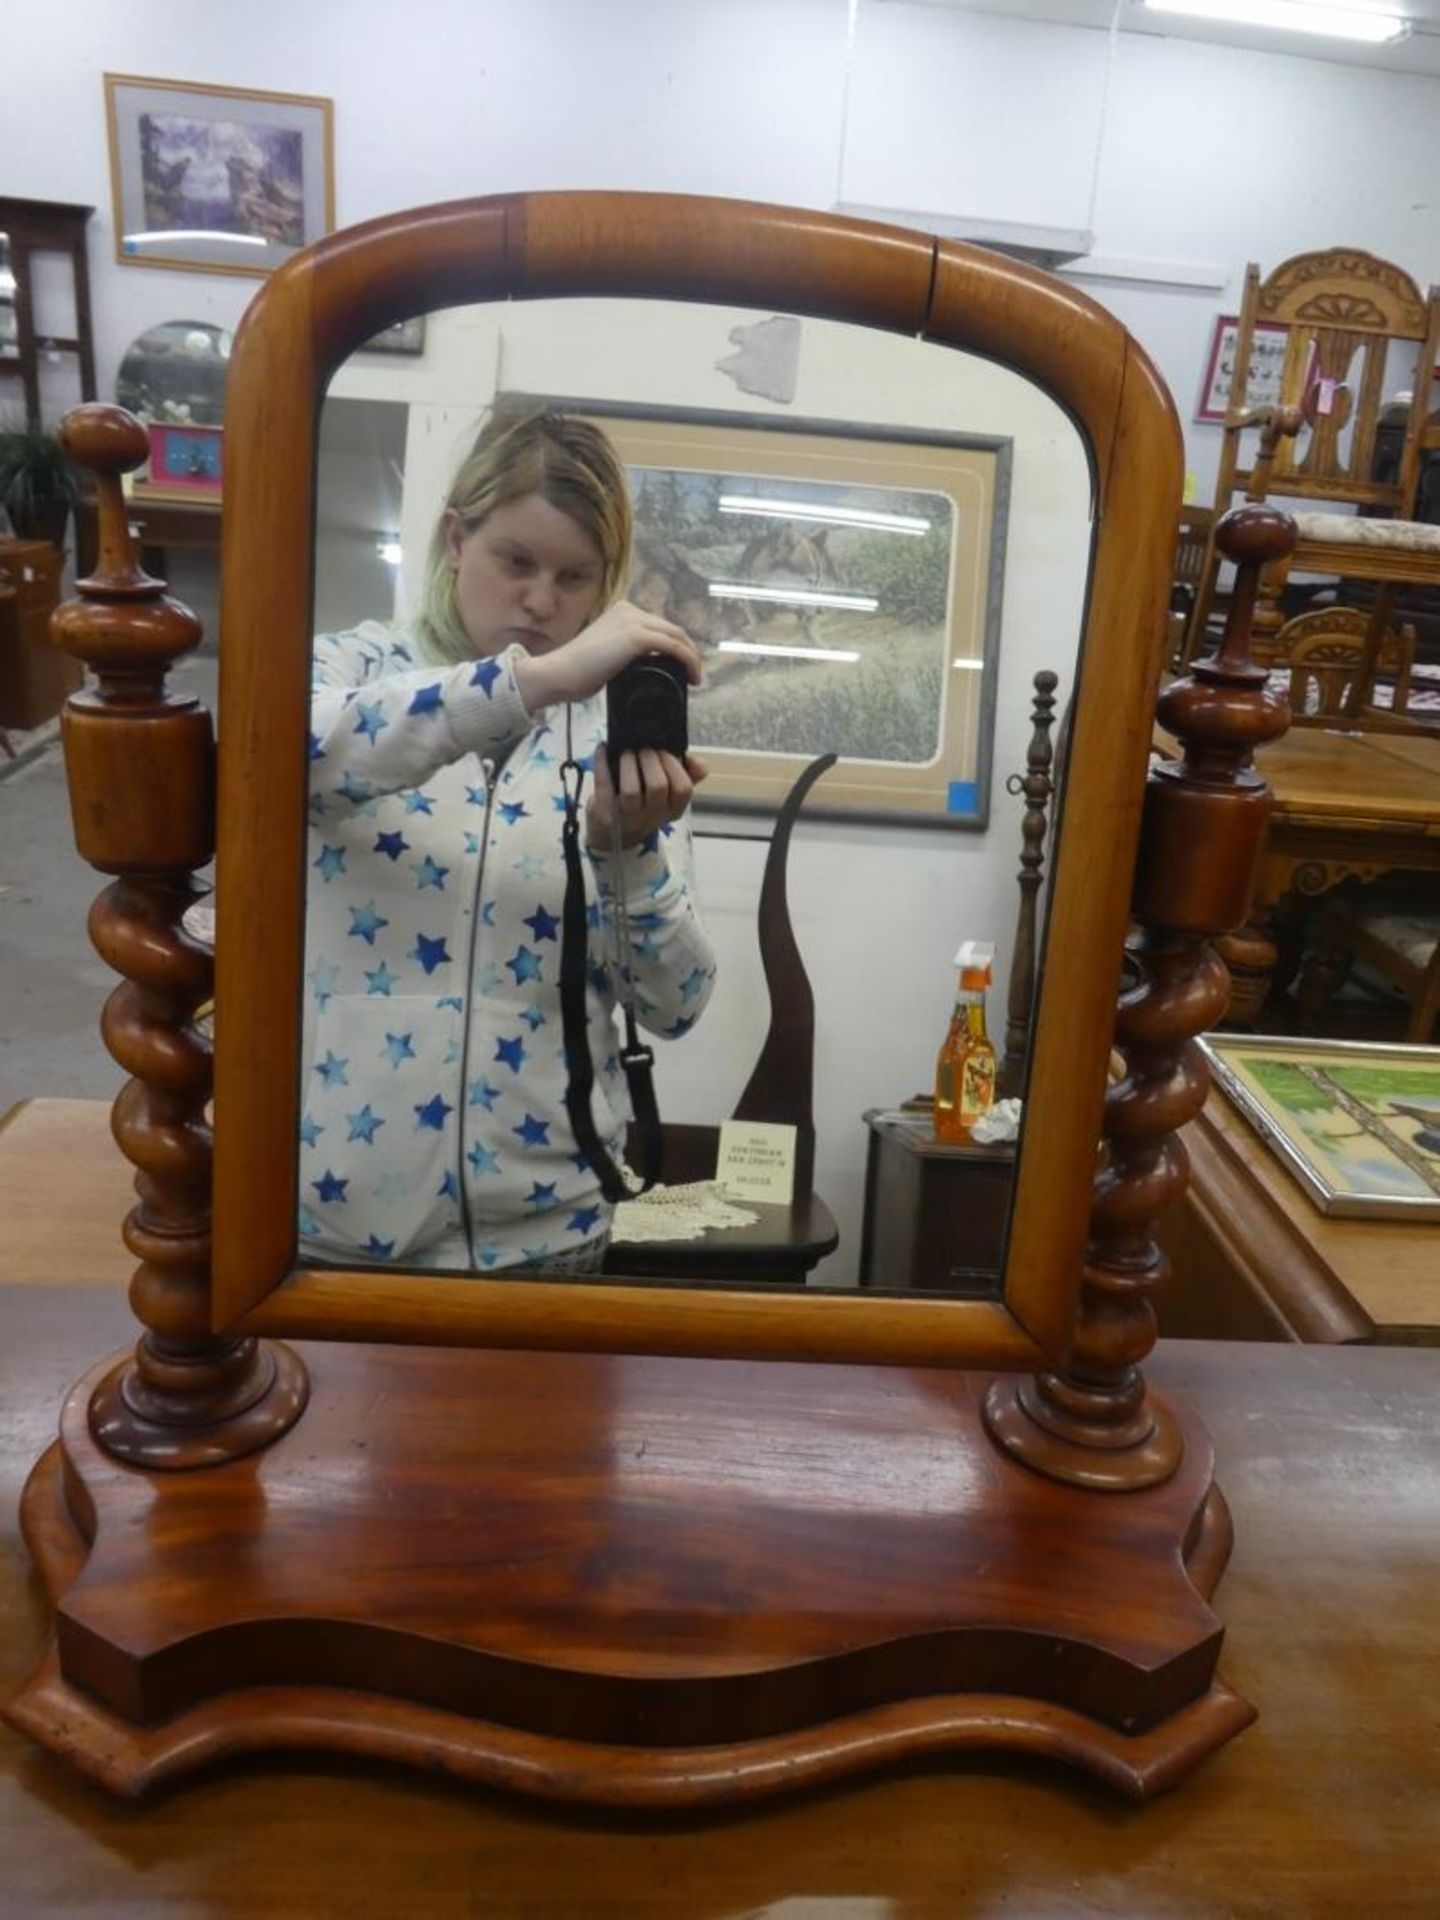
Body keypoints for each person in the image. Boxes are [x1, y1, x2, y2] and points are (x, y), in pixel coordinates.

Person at [301, 404, 716, 1274]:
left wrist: (629, 853)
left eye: (576, 578)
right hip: (335, 1230)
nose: (540, 601)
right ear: (457, 537)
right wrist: (533, 682)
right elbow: (293, 751)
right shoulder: (351, 669)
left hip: (554, 1238)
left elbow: (677, 1004)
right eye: (516, 561)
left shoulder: (618, 746)